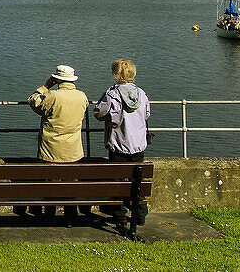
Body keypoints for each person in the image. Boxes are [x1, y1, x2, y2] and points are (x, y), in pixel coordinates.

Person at [26, 64, 90, 218]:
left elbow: (33, 102)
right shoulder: (82, 96)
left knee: (51, 185)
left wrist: (46, 86)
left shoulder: (53, 96)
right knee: (70, 184)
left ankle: (49, 215)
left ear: (57, 79)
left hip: (51, 150)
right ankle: (70, 214)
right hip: (73, 151)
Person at [94, 58, 151, 224]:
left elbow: (98, 113)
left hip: (118, 144)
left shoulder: (112, 95)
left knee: (117, 182)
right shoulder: (142, 94)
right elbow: (147, 114)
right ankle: (140, 214)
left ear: (116, 75)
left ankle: (119, 215)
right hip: (138, 145)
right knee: (137, 181)